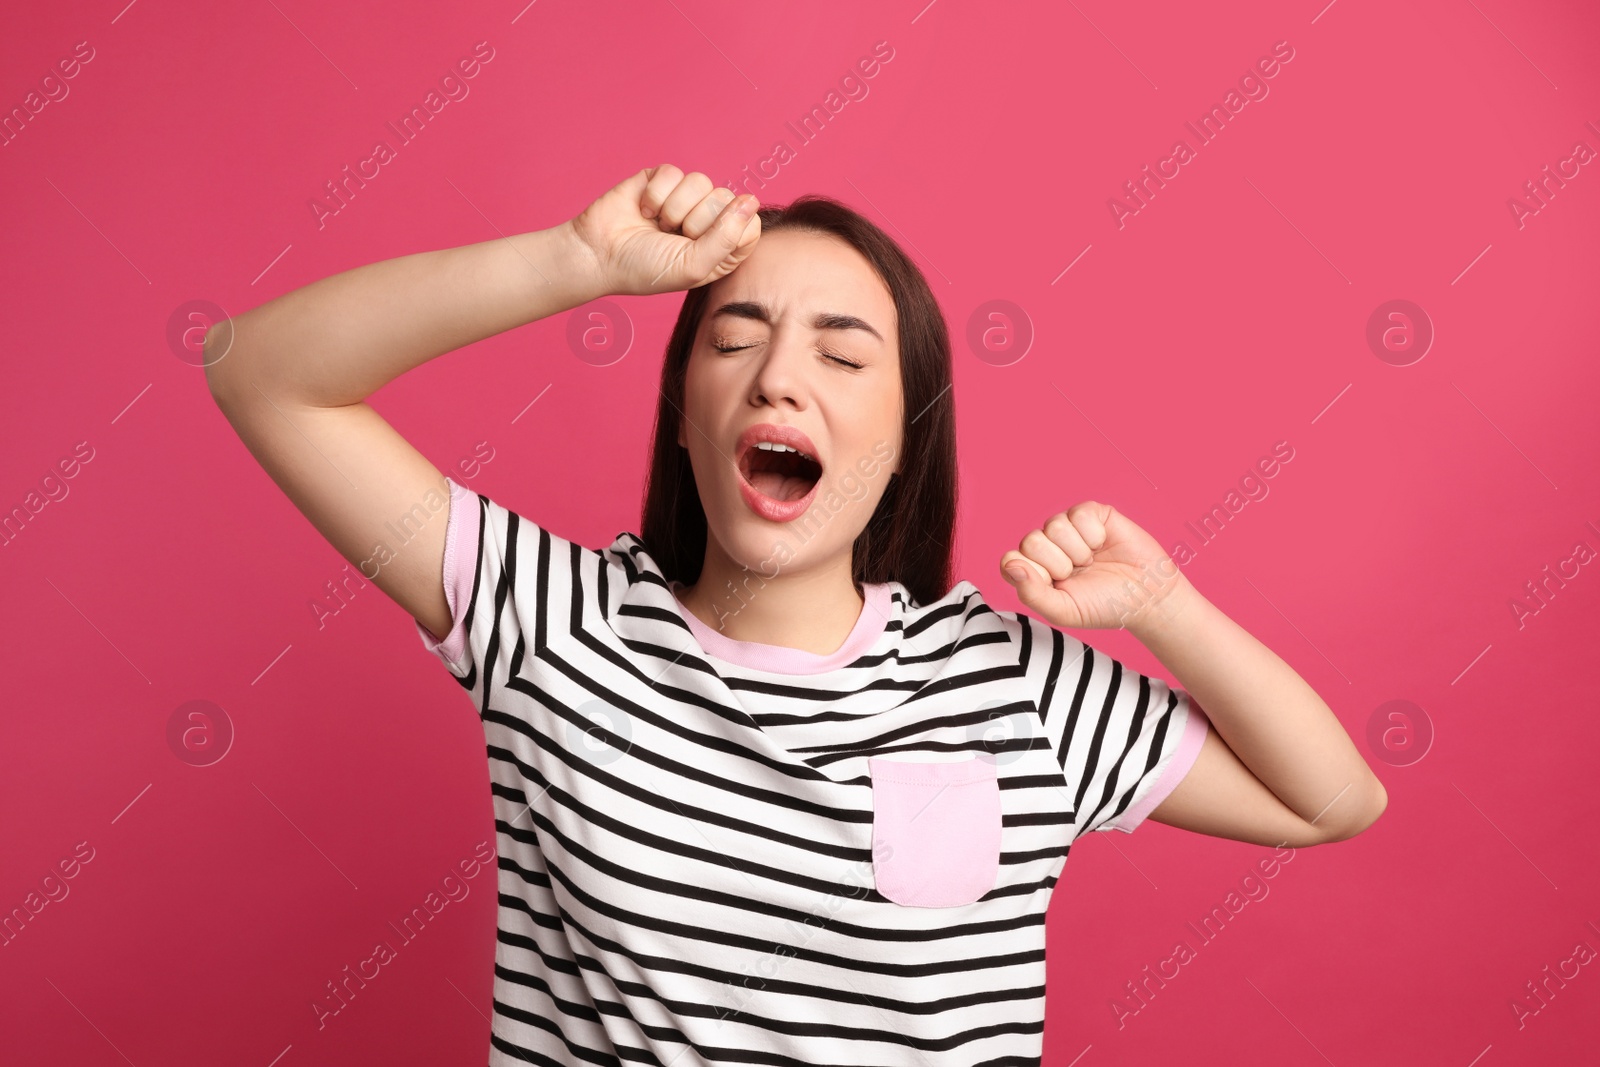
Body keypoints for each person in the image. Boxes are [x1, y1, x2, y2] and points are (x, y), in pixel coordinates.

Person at [204, 164, 1387, 1065]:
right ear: (682, 413)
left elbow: (1330, 797)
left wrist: (1164, 606)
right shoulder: (551, 624)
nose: (780, 376)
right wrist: (572, 260)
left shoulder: (1011, 683)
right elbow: (260, 370)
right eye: (736, 337)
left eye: (843, 353)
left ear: (903, 437)